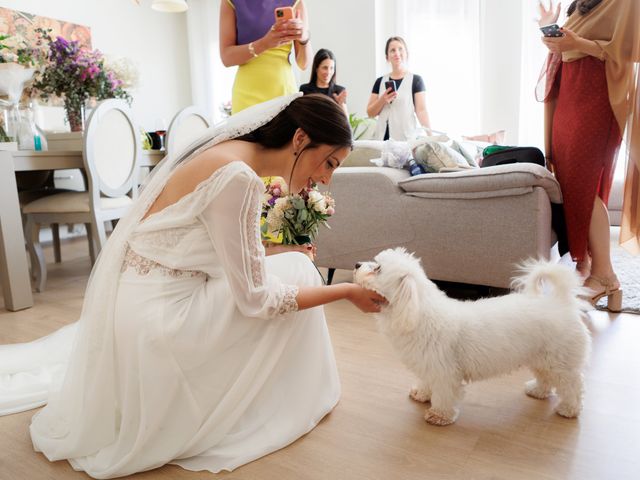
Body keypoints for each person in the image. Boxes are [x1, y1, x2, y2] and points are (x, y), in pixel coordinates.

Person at [0, 93, 386, 478]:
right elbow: (254, 300)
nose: (325, 178)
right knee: (300, 273)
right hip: (164, 322)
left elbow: (205, 249)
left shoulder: (228, 153)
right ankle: (290, 398)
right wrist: (346, 291)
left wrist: (284, 248)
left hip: (137, 305)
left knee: (294, 261)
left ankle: (276, 386)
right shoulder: (239, 178)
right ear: (300, 139)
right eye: (330, 163)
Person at [536, 0, 639, 310]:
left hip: (597, 92)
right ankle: (598, 270)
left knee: (582, 183)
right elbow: (572, 46)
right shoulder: (580, 4)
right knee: (569, 181)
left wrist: (575, 41)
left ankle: (606, 276)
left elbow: (627, 49)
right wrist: (551, 33)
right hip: (569, 90)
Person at [220, 0, 311, 114]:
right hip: (247, 96)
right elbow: (226, 57)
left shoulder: (296, 2)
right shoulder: (230, 2)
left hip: (283, 92)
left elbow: (304, 64)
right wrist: (264, 44)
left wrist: (304, 38)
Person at [366, 36, 432, 141]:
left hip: (405, 140)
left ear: (406, 53)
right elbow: (370, 113)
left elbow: (421, 111)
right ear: (387, 57)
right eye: (392, 50)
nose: (397, 53)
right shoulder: (379, 82)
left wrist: (430, 136)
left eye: (400, 49)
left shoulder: (416, 80)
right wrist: (383, 100)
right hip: (382, 140)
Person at [299, 48, 348, 116]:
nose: (328, 72)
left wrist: (341, 104)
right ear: (316, 68)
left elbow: (346, 123)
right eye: (325, 68)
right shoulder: (305, 89)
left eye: (331, 68)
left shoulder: (339, 91)